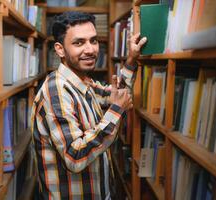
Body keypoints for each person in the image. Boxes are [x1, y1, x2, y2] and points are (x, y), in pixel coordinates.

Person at [31, 11, 147, 200]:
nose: (91, 49)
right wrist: (117, 110)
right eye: (79, 43)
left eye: (93, 41)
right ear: (60, 49)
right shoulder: (56, 92)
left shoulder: (83, 82)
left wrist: (132, 60)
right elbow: (74, 156)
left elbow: (116, 96)